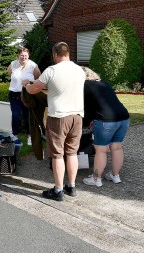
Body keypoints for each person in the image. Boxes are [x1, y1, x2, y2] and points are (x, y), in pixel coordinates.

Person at [22, 42, 85, 201]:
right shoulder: (80, 70)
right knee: (72, 153)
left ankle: (58, 190)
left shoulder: (51, 70)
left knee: (57, 154)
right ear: (68, 53)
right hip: (77, 116)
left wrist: (26, 85)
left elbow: (34, 89)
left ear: (55, 55)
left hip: (58, 117)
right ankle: (71, 186)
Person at [81, 67, 130, 187]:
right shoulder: (104, 83)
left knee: (101, 150)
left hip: (105, 120)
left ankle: (96, 179)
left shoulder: (85, 86)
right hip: (124, 117)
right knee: (117, 147)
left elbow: (86, 108)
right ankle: (115, 175)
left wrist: (86, 122)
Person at [8, 47, 41, 144]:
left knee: (28, 116)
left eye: (25, 55)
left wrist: (30, 83)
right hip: (14, 94)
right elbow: (9, 74)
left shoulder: (33, 65)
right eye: (22, 55)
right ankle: (14, 135)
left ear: (28, 55)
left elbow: (38, 79)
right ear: (18, 55)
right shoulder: (13, 64)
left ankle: (30, 136)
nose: (23, 57)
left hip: (27, 94)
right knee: (15, 115)